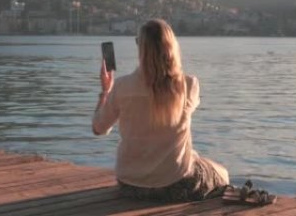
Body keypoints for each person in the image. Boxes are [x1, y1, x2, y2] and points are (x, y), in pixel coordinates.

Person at [92, 18, 230, 202]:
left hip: (130, 186)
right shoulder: (189, 85)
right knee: (222, 173)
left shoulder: (122, 87)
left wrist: (106, 91)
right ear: (172, 47)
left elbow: (98, 129)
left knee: (194, 159)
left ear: (141, 49)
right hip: (176, 185)